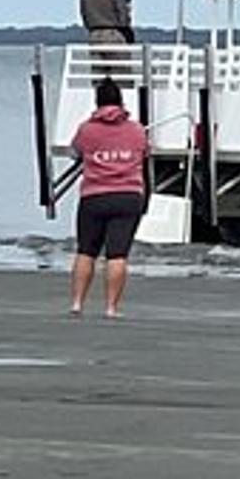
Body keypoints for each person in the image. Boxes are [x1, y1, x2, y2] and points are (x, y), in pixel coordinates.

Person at [68, 77, 148, 318]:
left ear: (97, 101)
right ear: (121, 102)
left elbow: (75, 152)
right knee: (117, 254)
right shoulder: (136, 130)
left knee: (86, 251)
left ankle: (77, 303)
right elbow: (145, 152)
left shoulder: (87, 129)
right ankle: (111, 307)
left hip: (94, 195)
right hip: (127, 195)